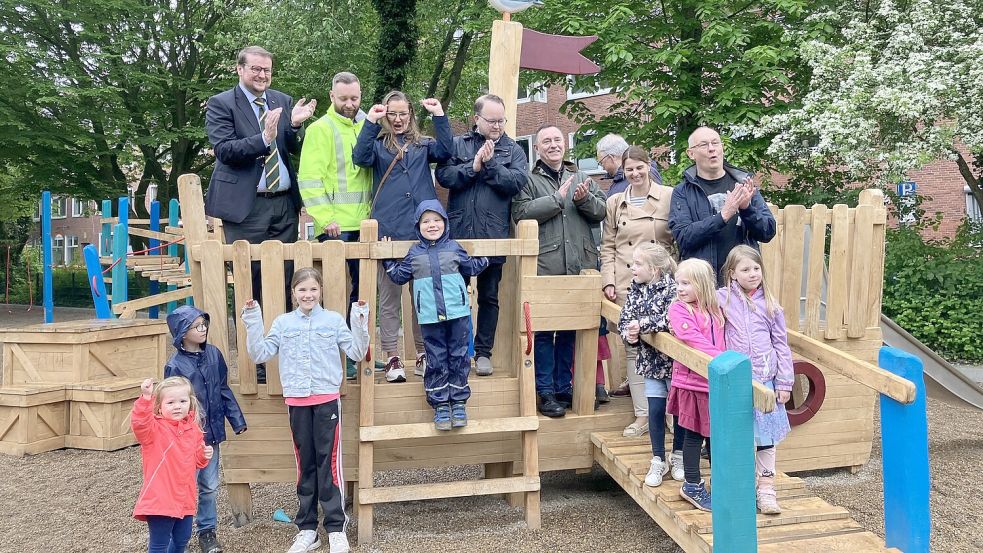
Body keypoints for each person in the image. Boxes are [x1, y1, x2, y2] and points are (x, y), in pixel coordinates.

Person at [205, 45, 317, 383]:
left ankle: (280, 356)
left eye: (267, 70)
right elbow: (225, 151)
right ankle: (254, 361)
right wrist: (264, 137)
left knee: (284, 281)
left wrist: (293, 128)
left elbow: (292, 149)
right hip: (246, 208)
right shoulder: (221, 104)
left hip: (283, 203)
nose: (262, 76)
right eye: (255, 69)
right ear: (240, 70)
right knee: (250, 282)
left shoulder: (281, 100)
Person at [241, 268, 369, 553]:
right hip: (297, 403)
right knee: (305, 466)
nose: (308, 295)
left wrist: (360, 319)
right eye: (302, 290)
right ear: (293, 293)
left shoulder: (334, 320)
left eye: (312, 289)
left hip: (326, 402)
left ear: (320, 290)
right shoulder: (283, 323)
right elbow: (260, 354)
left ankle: (336, 528)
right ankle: (307, 529)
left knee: (330, 465)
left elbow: (357, 353)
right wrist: (252, 319)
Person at [354, 91, 452, 383]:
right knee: (389, 297)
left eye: (402, 114)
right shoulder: (378, 145)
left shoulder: (422, 145)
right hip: (389, 229)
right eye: (392, 114)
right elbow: (359, 157)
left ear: (410, 114)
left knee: (422, 296)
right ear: (386, 116)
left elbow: (446, 150)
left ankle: (422, 353)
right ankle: (391, 356)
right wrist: (370, 122)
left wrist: (439, 115)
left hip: (421, 230)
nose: (397, 120)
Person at [512, 125, 607, 417]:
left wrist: (583, 199)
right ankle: (545, 392)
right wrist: (557, 199)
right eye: (546, 141)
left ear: (564, 145)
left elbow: (601, 212)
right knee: (543, 332)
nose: (553, 145)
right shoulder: (528, 180)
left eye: (557, 140)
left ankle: (565, 388)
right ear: (537, 149)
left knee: (570, 331)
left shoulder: (582, 177)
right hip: (545, 266)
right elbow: (520, 213)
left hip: (580, 265)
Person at [435, 94, 527, 377]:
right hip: (459, 234)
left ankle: (484, 352)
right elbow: (445, 176)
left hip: (493, 234)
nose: (497, 126)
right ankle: (459, 350)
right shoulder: (458, 144)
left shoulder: (513, 150)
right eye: (492, 121)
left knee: (489, 296)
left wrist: (489, 166)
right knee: (456, 295)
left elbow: (516, 182)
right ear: (477, 119)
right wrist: (472, 167)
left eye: (501, 121)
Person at [384, 200, 489, 429]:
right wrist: (388, 261)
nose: (432, 225)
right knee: (436, 358)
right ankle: (441, 405)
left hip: (457, 313)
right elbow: (400, 276)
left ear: (445, 223)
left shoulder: (454, 248)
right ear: (418, 226)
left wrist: (489, 257)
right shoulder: (414, 253)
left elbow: (470, 267)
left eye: (437, 220)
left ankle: (459, 402)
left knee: (459, 357)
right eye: (426, 221)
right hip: (430, 316)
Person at [297, 71, 372, 380]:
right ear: (331, 97)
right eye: (343, 99)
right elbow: (310, 179)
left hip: (365, 223)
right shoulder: (320, 129)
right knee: (335, 295)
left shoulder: (369, 123)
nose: (350, 104)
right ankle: (335, 356)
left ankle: (358, 353)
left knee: (362, 295)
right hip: (336, 227)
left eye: (354, 98)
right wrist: (325, 218)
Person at [600, 146, 675, 437]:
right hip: (626, 282)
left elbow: (677, 239)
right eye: (629, 169)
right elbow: (607, 245)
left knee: (666, 347)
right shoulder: (616, 202)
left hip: (661, 284)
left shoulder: (668, 196)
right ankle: (642, 416)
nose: (635, 173)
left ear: (648, 166)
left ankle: (669, 414)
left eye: (639, 168)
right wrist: (608, 279)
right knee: (633, 349)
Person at [163, 306, 247, 553]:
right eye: (196, 326)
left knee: (209, 486)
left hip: (210, 437)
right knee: (183, 486)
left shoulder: (214, 355)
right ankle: (178, 536)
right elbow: (168, 403)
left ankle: (207, 532)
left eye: (204, 325)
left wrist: (236, 420)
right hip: (184, 440)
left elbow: (223, 389)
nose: (202, 330)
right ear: (181, 332)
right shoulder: (174, 365)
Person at [717, 245, 793, 514]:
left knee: (766, 438)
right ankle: (741, 488)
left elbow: (781, 344)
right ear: (732, 273)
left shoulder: (771, 304)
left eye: (756, 268)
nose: (752, 274)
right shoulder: (722, 299)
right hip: (737, 381)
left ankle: (767, 490)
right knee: (739, 436)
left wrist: (785, 382)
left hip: (766, 381)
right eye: (745, 269)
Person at [668, 126, 776, 283]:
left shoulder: (743, 185)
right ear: (691, 153)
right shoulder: (683, 192)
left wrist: (747, 209)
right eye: (704, 145)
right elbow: (684, 238)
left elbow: (768, 232)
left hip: (742, 285)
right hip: (702, 284)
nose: (712, 149)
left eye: (715, 143)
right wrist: (723, 216)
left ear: (722, 148)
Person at [618, 243, 686, 487]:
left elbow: (670, 318)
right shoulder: (635, 290)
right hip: (650, 363)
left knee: (677, 411)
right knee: (655, 410)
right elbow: (624, 319)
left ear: (654, 269)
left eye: (637, 264)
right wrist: (630, 334)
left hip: (674, 363)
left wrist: (642, 325)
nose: (632, 268)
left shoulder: (673, 290)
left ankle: (678, 455)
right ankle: (658, 459)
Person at [667, 258, 725, 511]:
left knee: (715, 436)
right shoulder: (679, 309)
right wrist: (722, 358)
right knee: (693, 435)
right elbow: (690, 337)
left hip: (714, 383)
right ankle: (691, 484)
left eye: (686, 283)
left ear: (701, 285)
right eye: (678, 282)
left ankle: (720, 482)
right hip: (691, 383)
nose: (680, 288)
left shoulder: (715, 308)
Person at [131, 377, 213, 553]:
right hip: (160, 499)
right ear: (159, 407)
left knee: (182, 539)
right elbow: (140, 423)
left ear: (190, 403)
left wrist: (204, 455)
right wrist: (146, 398)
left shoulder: (193, 430)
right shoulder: (154, 430)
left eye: (182, 401)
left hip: (185, 498)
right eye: (170, 402)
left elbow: (196, 462)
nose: (177, 406)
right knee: (159, 544)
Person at [595, 133, 663, 198]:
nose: (603, 167)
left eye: (601, 162)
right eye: (629, 169)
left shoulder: (647, 174)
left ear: (611, 157)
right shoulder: (620, 178)